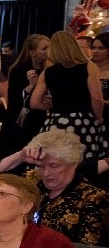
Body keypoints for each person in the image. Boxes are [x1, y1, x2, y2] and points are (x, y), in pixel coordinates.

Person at [0, 128, 108, 245]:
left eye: (54, 165)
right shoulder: (32, 181)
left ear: (74, 164)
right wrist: (19, 156)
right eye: (41, 166)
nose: (46, 173)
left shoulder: (92, 198)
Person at [30, 30, 106, 162]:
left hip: (57, 121)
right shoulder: (88, 67)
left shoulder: (48, 72)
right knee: (84, 161)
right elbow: (97, 98)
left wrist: (53, 105)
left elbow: (34, 103)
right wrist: (99, 118)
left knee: (56, 161)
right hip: (83, 121)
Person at [1, 33, 51, 153]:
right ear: (31, 52)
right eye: (44, 48)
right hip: (21, 121)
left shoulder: (51, 69)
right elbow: (13, 100)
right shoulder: (18, 69)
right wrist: (31, 86)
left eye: (50, 47)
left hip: (43, 119)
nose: (49, 51)